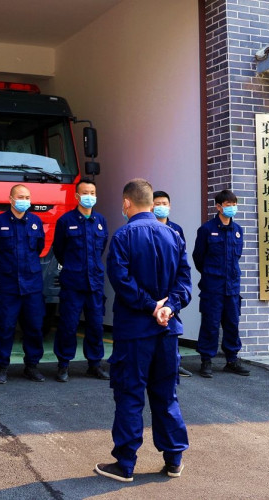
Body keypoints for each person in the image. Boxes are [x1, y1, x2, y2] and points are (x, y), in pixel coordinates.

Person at [95, 179, 192, 482]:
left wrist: (151, 306)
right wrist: (168, 307)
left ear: (127, 203)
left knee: (130, 395)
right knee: (166, 395)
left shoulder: (123, 237)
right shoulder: (174, 236)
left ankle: (125, 464)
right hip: (168, 331)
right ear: (152, 203)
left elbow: (121, 282)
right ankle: (174, 460)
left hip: (135, 332)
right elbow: (185, 283)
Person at [0, 184, 46, 384]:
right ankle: (1, 367)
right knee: (4, 326)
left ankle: (32, 366)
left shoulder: (36, 222)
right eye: (20, 196)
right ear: (10, 198)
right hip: (8, 284)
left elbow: (39, 247)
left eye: (27, 197)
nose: (24, 200)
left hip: (32, 285)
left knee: (34, 327)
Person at [52, 177, 109, 382]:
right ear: (77, 196)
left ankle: (94, 364)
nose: (89, 197)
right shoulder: (65, 221)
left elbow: (102, 248)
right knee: (68, 325)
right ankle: (63, 364)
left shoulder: (100, 221)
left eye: (92, 193)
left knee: (95, 325)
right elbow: (59, 250)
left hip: (94, 283)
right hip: (73, 283)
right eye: (85, 193)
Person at [192, 189, 250, 378]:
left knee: (232, 323)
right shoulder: (207, 229)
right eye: (228, 205)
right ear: (218, 207)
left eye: (234, 205)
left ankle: (232, 360)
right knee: (210, 324)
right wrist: (211, 274)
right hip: (213, 287)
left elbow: (237, 256)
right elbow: (198, 257)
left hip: (232, 287)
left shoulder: (238, 231)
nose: (232, 208)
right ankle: (206, 361)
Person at [152, 190, 193, 378]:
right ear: (151, 206)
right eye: (157, 203)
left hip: (172, 288)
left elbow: (183, 260)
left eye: (164, 203)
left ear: (169, 206)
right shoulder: (147, 227)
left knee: (172, 326)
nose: (161, 207)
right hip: (153, 289)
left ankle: (174, 363)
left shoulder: (176, 229)